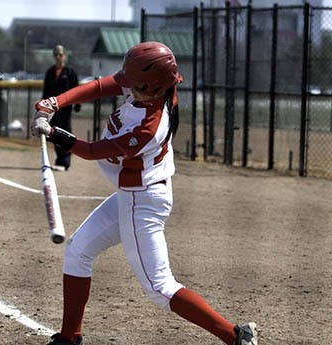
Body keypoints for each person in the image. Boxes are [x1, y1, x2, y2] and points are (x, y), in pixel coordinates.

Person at [30, 42, 258, 345]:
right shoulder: (153, 86)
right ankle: (69, 338)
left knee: (160, 287)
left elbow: (93, 150)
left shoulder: (149, 127)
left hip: (143, 201)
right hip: (133, 194)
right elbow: (101, 86)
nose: (128, 90)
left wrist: (55, 133)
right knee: (77, 251)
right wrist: (55, 102)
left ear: (155, 87)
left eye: (136, 87)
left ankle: (236, 337)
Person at [41, 44, 80, 171]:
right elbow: (46, 91)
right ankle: (59, 159)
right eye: (56, 55)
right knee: (54, 132)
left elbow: (76, 89)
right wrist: (44, 105)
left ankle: (65, 161)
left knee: (65, 132)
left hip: (65, 108)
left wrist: (77, 104)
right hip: (53, 109)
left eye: (60, 54)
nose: (58, 57)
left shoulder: (70, 72)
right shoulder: (50, 72)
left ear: (64, 56)